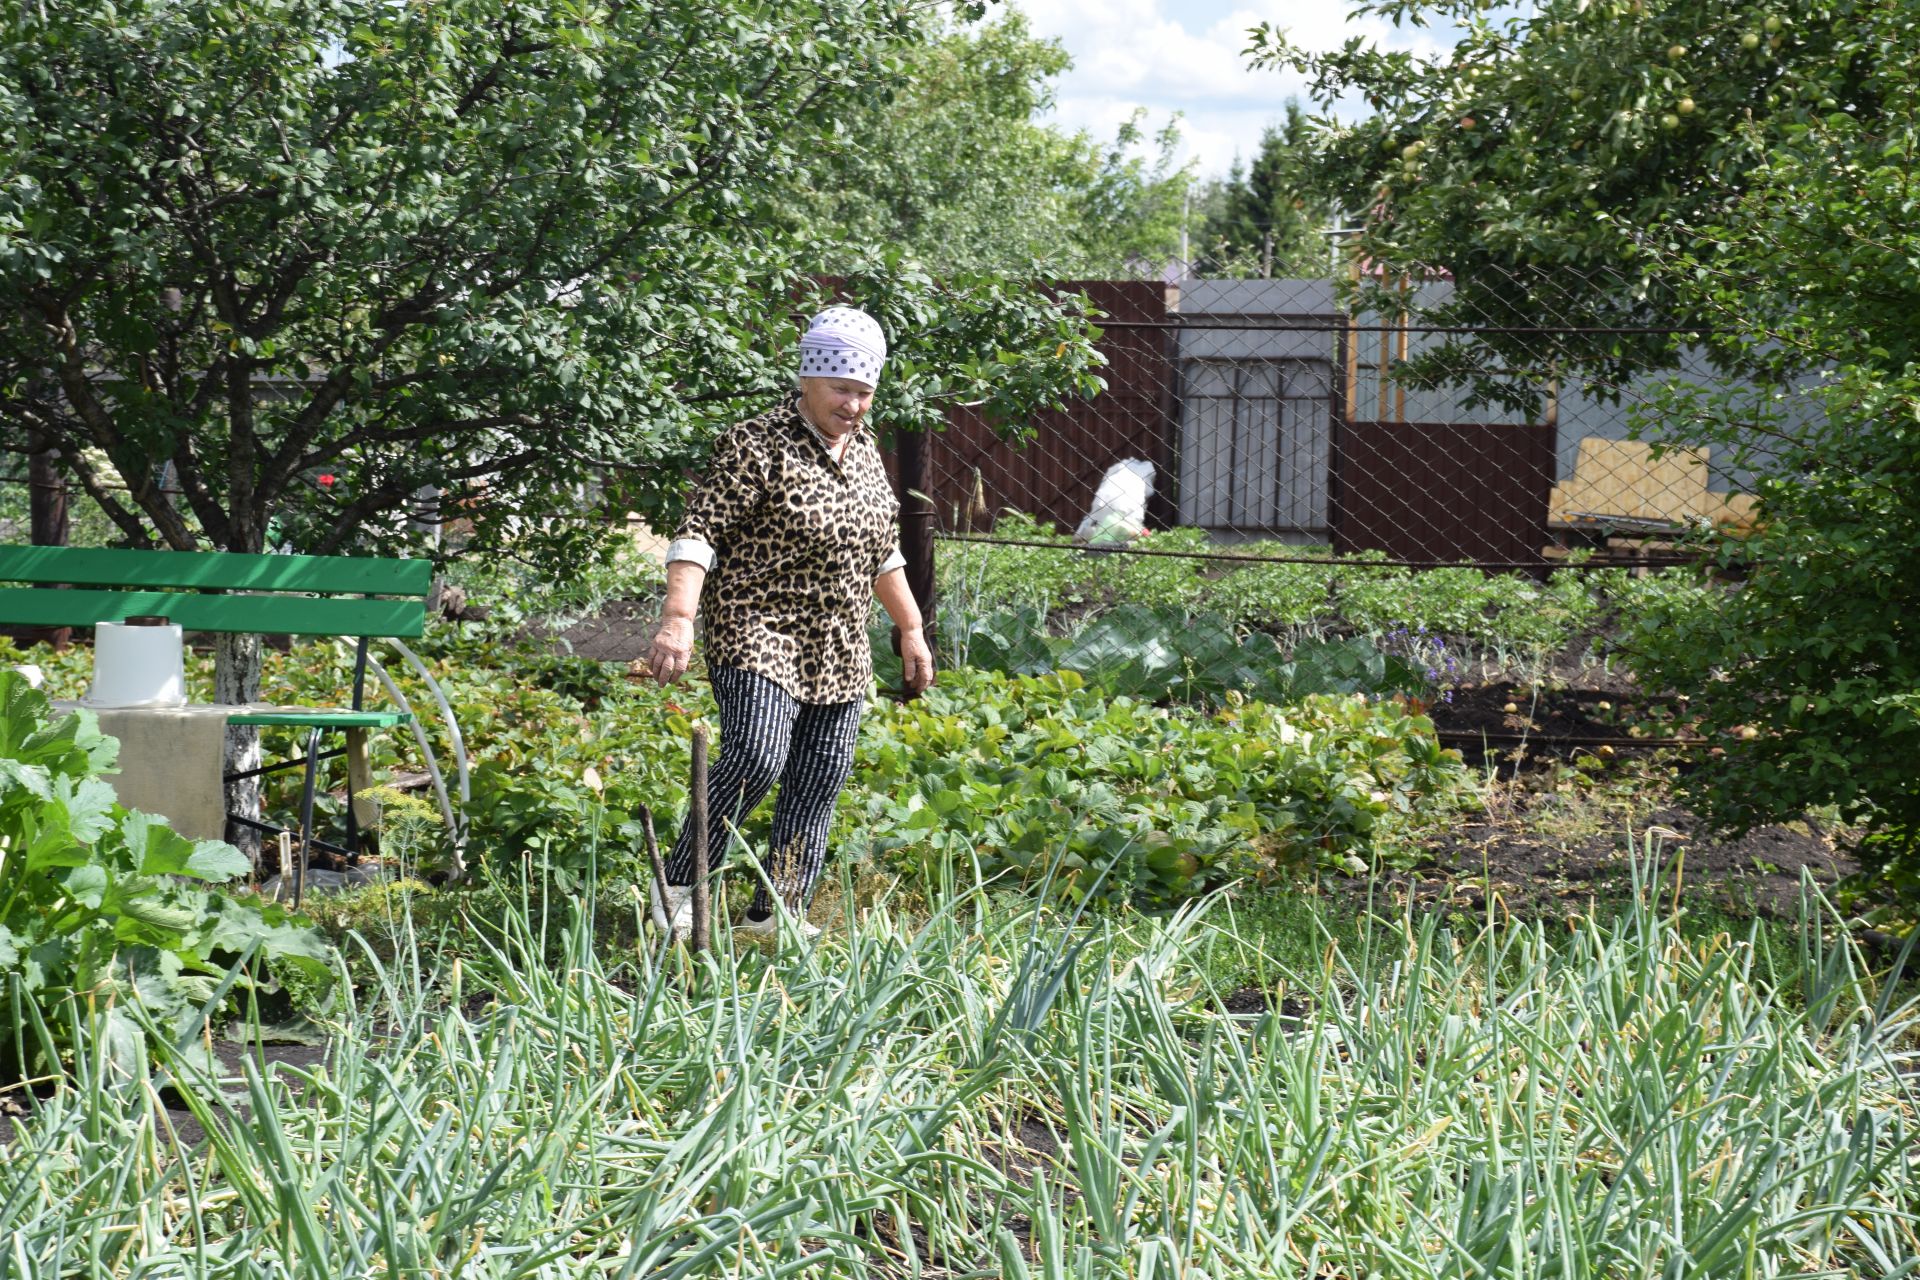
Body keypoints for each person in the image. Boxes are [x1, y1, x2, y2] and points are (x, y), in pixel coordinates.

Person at [645, 306, 935, 941]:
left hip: (838, 642)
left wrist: (910, 629)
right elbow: (700, 533)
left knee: (820, 775)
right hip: (758, 627)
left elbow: (882, 550)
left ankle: (775, 913)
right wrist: (678, 617)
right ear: (807, 378)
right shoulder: (755, 445)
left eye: (865, 392)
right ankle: (678, 888)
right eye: (841, 389)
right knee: (755, 755)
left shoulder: (863, 457)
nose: (855, 405)